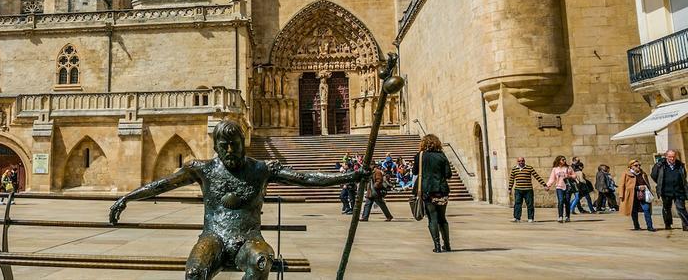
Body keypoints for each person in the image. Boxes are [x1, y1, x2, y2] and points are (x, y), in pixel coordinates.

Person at [109, 120, 368, 279]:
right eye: (224, 145)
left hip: (249, 239)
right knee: (194, 273)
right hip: (213, 237)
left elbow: (306, 178)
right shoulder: (203, 170)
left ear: (243, 142)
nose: (230, 150)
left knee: (261, 262)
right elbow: (162, 184)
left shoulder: (261, 170)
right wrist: (127, 197)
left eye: (234, 143)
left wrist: (350, 177)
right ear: (216, 147)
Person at [413, 134, 452, 253]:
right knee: (442, 218)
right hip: (442, 190)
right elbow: (448, 174)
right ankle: (447, 245)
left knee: (432, 218)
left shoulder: (420, 156)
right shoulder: (442, 155)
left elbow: (415, 171)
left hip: (427, 191)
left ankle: (437, 245)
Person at [650, 149, 688, 231]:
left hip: (678, 190)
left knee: (681, 208)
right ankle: (668, 224)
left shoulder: (680, 165)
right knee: (666, 208)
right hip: (666, 191)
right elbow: (653, 175)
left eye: (673, 157)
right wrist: (660, 182)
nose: (672, 158)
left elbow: (684, 176)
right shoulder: (660, 165)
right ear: (666, 156)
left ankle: (686, 224)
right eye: (670, 157)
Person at [619, 158, 656, 232]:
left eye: (639, 165)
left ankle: (650, 226)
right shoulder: (626, 174)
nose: (638, 167)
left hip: (643, 194)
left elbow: (647, 183)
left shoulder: (643, 173)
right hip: (632, 195)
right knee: (634, 211)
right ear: (631, 166)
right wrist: (621, 195)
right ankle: (636, 226)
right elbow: (622, 185)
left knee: (646, 209)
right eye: (636, 165)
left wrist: (648, 190)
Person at [507, 156, 547, 222]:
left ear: (524, 161)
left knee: (530, 204)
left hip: (528, 190)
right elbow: (511, 179)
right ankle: (517, 218)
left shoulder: (529, 168)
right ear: (517, 162)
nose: (521, 162)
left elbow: (537, 176)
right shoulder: (514, 169)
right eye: (519, 161)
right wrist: (509, 189)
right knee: (517, 204)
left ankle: (530, 218)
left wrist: (544, 185)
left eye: (522, 161)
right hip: (518, 189)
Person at [546, 155, 575, 223]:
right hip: (559, 187)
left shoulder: (568, 168)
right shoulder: (555, 169)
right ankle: (560, 216)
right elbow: (552, 178)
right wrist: (548, 186)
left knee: (567, 202)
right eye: (562, 160)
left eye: (564, 159)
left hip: (568, 187)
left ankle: (567, 216)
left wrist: (569, 176)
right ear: (559, 160)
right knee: (561, 201)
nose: (564, 161)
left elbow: (574, 176)